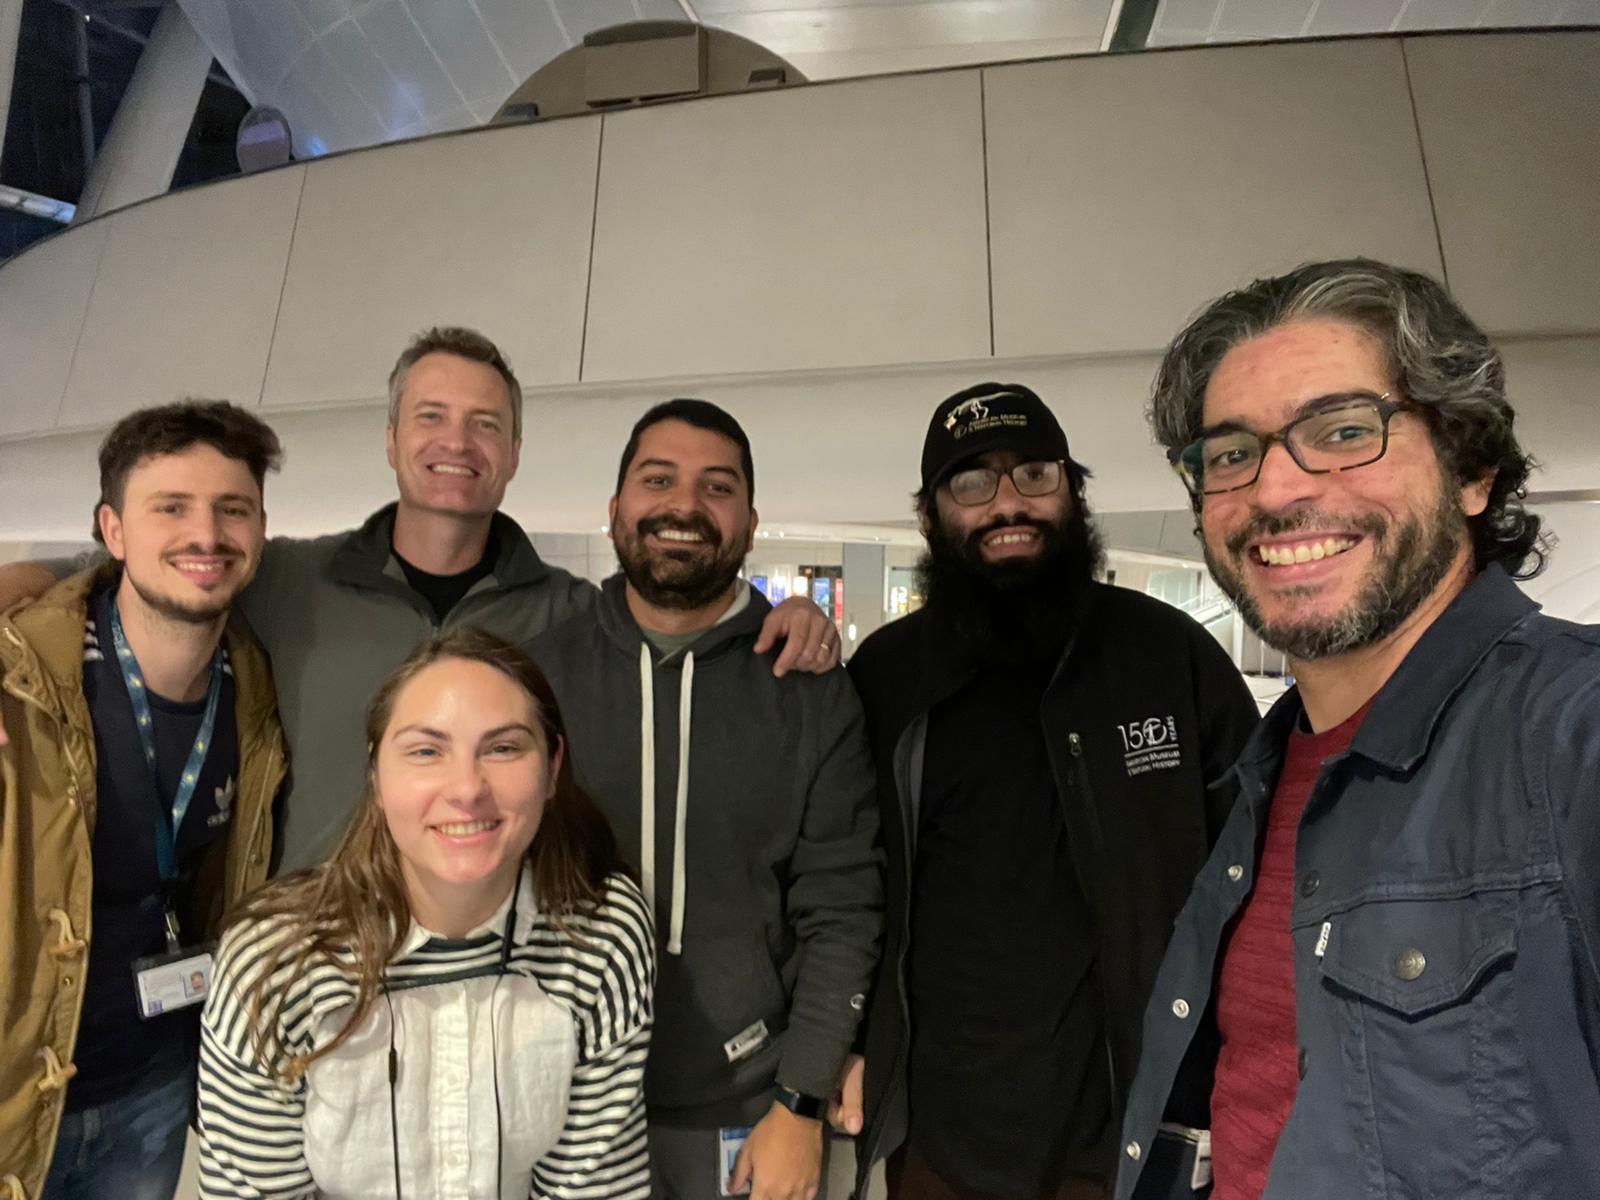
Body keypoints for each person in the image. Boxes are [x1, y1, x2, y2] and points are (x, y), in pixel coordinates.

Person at [0, 327, 842, 872]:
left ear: (513, 453)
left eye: (484, 424)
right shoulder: (288, 580)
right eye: (431, 416)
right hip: (307, 971)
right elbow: (116, 567)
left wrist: (787, 616)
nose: (456, 442)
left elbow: (682, 614)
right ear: (393, 441)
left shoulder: (573, 612)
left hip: (483, 978)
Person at [1115, 258, 1600, 1200]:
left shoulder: (1571, 738)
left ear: (1470, 470)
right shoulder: (1270, 772)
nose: (1275, 491)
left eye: (1342, 432)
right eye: (1229, 454)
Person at [845, 383, 1259, 1200]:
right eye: (972, 482)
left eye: (1034, 473)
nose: (1008, 504)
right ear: (929, 516)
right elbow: (840, 881)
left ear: (1072, 490)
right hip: (937, 1135)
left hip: (1131, 1133)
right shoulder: (884, 679)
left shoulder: (1170, 657)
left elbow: (1260, 869)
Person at [528, 399, 884, 1200]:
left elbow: (843, 905)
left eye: (716, 487)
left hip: (750, 1104)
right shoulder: (539, 676)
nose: (684, 506)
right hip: (563, 1102)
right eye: (659, 480)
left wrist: (800, 1099)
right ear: (615, 509)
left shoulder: (810, 690)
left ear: (750, 522)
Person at [197, 628, 654, 1199]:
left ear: (553, 766)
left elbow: (593, 1188)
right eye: (425, 751)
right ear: (376, 773)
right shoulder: (274, 958)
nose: (466, 788)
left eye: (504, 747)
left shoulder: (600, 933)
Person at [0, 401, 287, 1200]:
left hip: (152, 1092)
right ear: (113, 529)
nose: (207, 535)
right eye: (171, 507)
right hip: (17, 1098)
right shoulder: (19, 682)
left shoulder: (256, 686)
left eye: (233, 510)